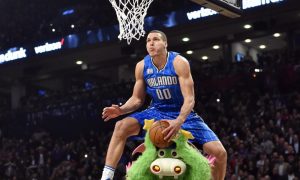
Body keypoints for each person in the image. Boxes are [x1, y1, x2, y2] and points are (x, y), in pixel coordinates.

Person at [101, 30, 227, 180]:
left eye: (156, 39)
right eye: (148, 41)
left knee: (220, 153)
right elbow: (137, 99)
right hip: (156, 111)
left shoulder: (179, 62)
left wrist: (179, 120)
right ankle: (107, 176)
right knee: (121, 126)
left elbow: (190, 100)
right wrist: (121, 110)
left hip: (183, 114)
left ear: (165, 43)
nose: (151, 43)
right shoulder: (141, 66)